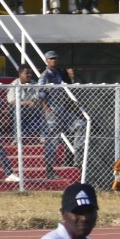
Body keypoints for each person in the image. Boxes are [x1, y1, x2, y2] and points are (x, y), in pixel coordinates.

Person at [38, 50, 85, 180]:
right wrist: (47, 109)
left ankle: (77, 159)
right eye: (51, 59)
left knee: (81, 125)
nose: (54, 61)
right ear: (46, 61)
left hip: (63, 111)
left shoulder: (59, 74)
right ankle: (49, 169)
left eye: (55, 58)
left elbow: (65, 90)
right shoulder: (45, 76)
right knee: (52, 141)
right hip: (52, 113)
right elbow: (40, 94)